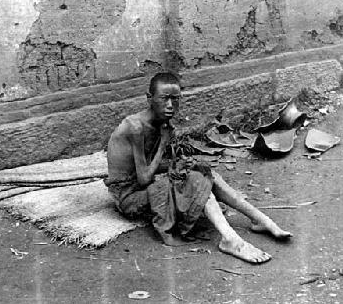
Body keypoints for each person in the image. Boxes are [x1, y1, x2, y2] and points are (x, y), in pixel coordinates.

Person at [104, 72, 291, 263]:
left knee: (205, 172)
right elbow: (143, 178)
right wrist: (163, 145)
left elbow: (148, 166)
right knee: (194, 182)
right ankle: (231, 240)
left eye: (175, 99)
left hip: (143, 185)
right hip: (129, 197)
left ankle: (259, 219)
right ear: (149, 98)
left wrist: (182, 164)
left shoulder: (161, 124)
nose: (170, 106)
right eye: (164, 99)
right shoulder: (135, 127)